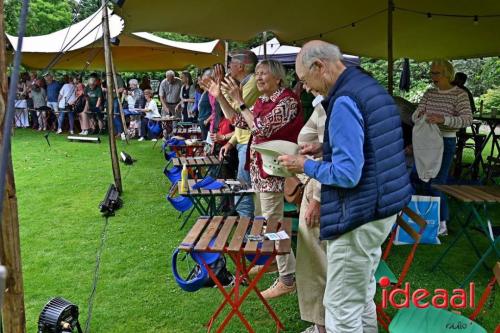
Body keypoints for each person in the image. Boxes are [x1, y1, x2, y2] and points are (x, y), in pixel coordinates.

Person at [279, 40, 412, 333]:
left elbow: (348, 174)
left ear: (319, 66)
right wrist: (326, 146)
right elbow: (371, 144)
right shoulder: (367, 86)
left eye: (305, 81)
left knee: (340, 306)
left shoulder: (343, 101)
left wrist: (305, 166)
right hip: (381, 208)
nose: (308, 89)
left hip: (360, 213)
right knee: (361, 294)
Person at [203, 59, 303, 299]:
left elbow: (261, 129)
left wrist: (239, 102)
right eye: (256, 73)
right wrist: (222, 98)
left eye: (263, 74)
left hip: (276, 172)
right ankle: (274, 262)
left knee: (274, 225)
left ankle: (288, 278)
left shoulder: (287, 101)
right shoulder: (263, 100)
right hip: (261, 170)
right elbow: (239, 122)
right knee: (268, 222)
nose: (258, 78)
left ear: (278, 77)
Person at [412, 60, 472, 235]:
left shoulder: (459, 94)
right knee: (419, 178)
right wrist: (419, 116)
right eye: (431, 73)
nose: (432, 77)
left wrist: (443, 119)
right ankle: (420, 218)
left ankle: (442, 223)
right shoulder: (429, 93)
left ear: (448, 74)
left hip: (445, 141)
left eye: (436, 73)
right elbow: (416, 115)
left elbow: (467, 119)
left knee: (437, 183)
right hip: (425, 142)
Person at [295, 89, 328, 333]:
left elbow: (331, 156)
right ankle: (322, 324)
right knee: (314, 261)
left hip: (321, 190)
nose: (304, 87)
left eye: (306, 79)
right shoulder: (324, 103)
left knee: (317, 264)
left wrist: (317, 198)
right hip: (313, 183)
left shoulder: (332, 106)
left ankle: (324, 327)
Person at [218, 50, 261, 219]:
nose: (228, 66)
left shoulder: (252, 84)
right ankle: (246, 223)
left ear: (241, 66)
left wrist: (222, 91)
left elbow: (236, 112)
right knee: (242, 186)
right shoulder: (244, 83)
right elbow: (240, 121)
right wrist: (231, 142)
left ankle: (245, 227)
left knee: (243, 188)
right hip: (244, 142)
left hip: (251, 143)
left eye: (231, 64)